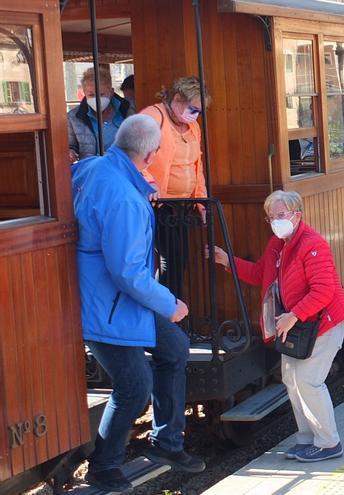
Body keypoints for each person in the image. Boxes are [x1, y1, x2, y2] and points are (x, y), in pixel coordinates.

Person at [72, 115, 204, 493]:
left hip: (115, 300)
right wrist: (169, 303)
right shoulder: (125, 199)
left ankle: (166, 442)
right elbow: (127, 272)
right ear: (150, 153)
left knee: (175, 347)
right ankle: (103, 465)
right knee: (134, 384)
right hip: (108, 305)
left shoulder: (93, 166)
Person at [210, 190, 344, 462]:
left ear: (297, 215)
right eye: (271, 217)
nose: (276, 221)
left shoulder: (313, 244)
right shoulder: (278, 244)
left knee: (308, 381)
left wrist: (293, 315)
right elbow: (261, 274)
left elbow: (324, 292)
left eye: (281, 215)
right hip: (297, 327)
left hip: (322, 325)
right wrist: (228, 261)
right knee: (292, 381)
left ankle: (329, 442)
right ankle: (308, 439)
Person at [141, 76, 209, 297]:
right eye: (193, 108)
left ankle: (174, 316)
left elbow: (196, 166)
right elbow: (133, 158)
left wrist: (200, 200)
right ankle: (167, 320)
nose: (195, 115)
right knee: (167, 263)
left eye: (199, 111)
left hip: (183, 206)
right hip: (158, 205)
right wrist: (150, 184)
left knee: (180, 262)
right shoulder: (151, 118)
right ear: (177, 99)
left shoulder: (192, 126)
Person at [67, 67, 134, 162]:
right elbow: (70, 146)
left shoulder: (128, 110)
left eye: (101, 94)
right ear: (84, 93)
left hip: (123, 170)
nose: (97, 99)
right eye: (91, 95)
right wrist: (70, 153)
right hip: (92, 171)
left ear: (111, 92)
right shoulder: (74, 118)